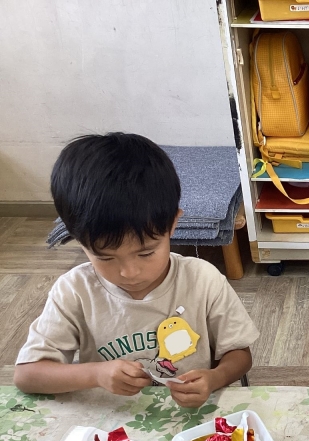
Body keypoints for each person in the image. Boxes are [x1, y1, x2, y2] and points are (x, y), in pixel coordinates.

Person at [14, 133, 259, 407]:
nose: (129, 272)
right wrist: (95, 374)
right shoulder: (74, 291)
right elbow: (27, 375)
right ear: (78, 240)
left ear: (173, 224)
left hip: (188, 415)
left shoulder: (203, 280)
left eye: (146, 253)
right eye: (105, 257)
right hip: (110, 419)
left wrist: (215, 378)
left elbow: (239, 354)